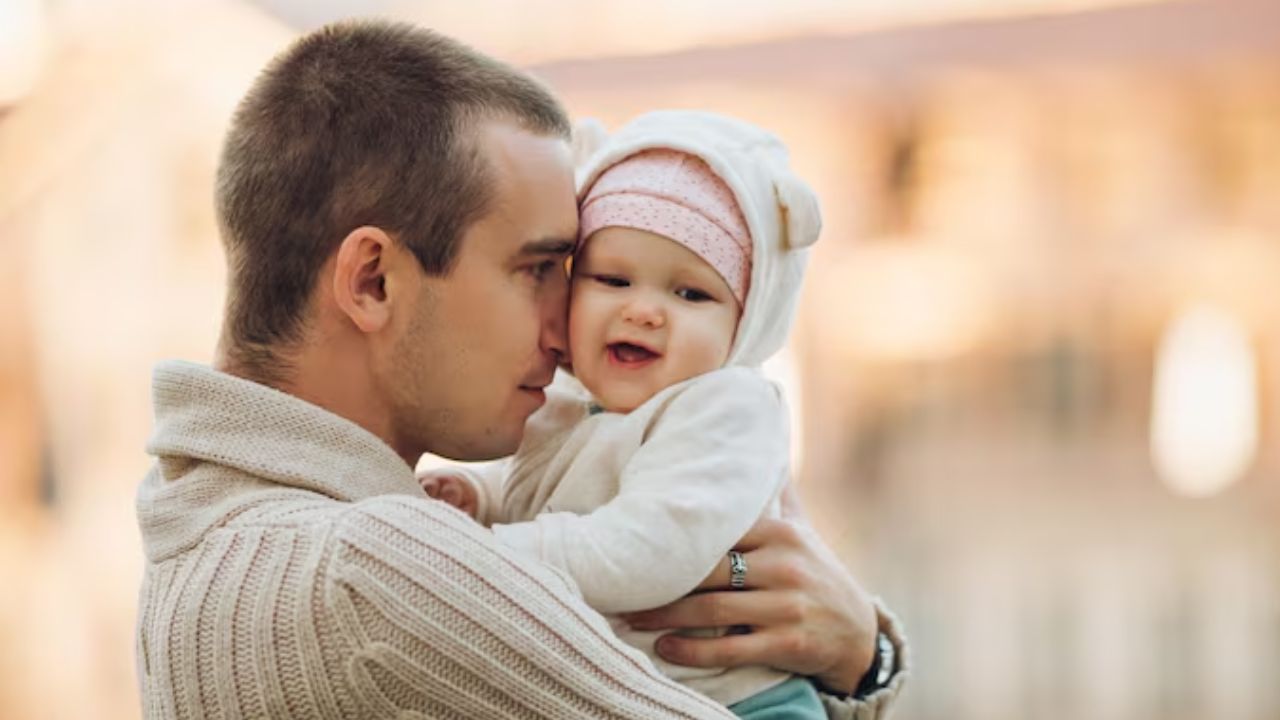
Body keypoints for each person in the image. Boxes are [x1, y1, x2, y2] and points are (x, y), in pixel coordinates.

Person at [134, 19, 907, 719]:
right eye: (538, 268)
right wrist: (864, 660)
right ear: (373, 281)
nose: (568, 323)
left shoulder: (202, 534)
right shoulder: (373, 571)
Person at [419, 110, 886, 718]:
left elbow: (649, 549)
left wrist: (486, 548)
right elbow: (552, 493)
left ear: (744, 325)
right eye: (612, 279)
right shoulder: (572, 406)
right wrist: (480, 495)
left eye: (690, 294)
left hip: (746, 703)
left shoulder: (725, 407)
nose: (644, 311)